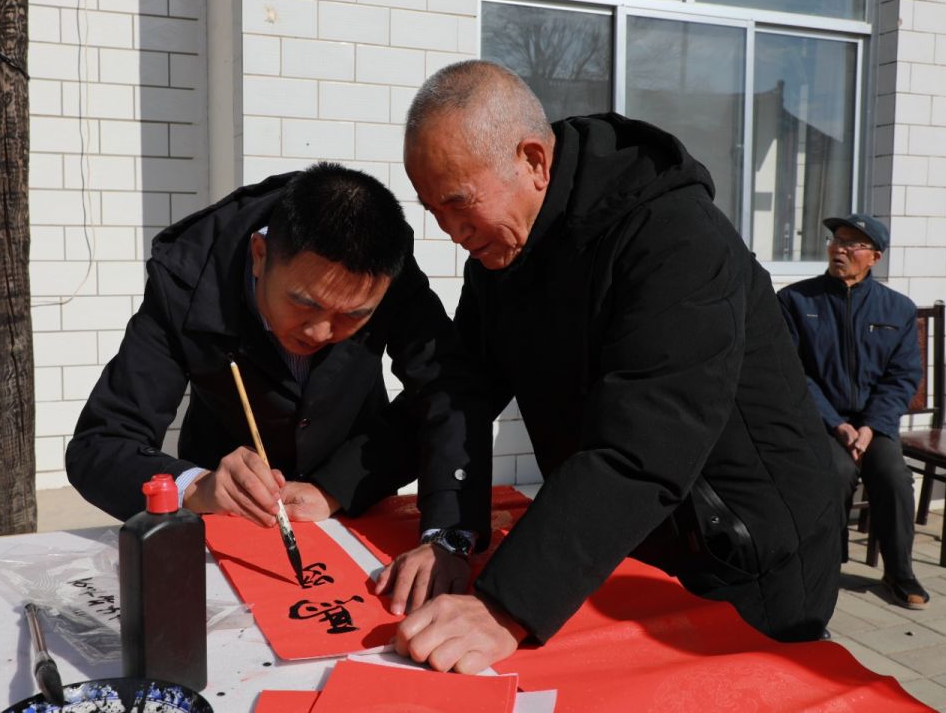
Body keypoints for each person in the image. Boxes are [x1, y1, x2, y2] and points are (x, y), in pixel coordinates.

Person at [389, 60, 842, 674]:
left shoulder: (674, 235)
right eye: (433, 210)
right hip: (632, 542)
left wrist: (504, 606)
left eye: (458, 203)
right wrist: (334, 485)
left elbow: (646, 441)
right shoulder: (504, 254)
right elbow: (460, 387)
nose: (451, 232)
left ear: (533, 162)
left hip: (742, 553)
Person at [66, 162, 491, 584]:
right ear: (259, 254)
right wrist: (197, 487)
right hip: (226, 519)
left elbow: (448, 389)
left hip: (355, 500)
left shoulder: (384, 271)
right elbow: (99, 444)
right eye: (305, 304)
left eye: (352, 316)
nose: (320, 332)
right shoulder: (187, 277)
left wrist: (346, 491)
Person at [777, 214, 929, 610]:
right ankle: (827, 565)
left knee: (894, 476)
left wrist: (871, 427)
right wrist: (836, 424)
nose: (839, 249)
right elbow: (792, 372)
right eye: (836, 240)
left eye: (851, 243)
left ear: (874, 257)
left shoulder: (897, 308)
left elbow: (902, 377)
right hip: (820, 420)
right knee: (836, 472)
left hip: (873, 424)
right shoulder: (795, 301)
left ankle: (899, 572)